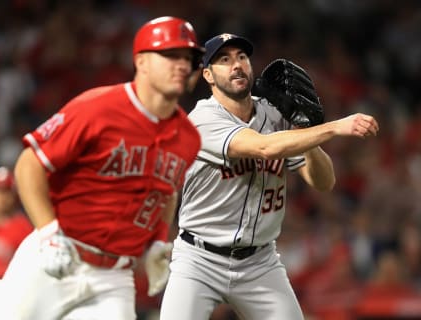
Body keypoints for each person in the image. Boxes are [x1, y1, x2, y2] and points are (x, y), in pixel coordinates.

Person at [0, 16, 204, 320]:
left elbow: (167, 190)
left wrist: (158, 240)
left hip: (113, 276)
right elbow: (30, 164)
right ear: (141, 61)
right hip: (61, 250)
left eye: (188, 57)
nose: (182, 65)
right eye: (170, 55)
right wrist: (48, 231)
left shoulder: (188, 137)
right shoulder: (98, 107)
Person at [159, 33, 379, 320]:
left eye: (241, 57)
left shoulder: (274, 114)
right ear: (208, 76)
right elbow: (264, 147)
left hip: (259, 263)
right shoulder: (202, 120)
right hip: (199, 260)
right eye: (224, 60)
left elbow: (324, 182)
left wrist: (303, 130)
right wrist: (335, 127)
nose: (236, 65)